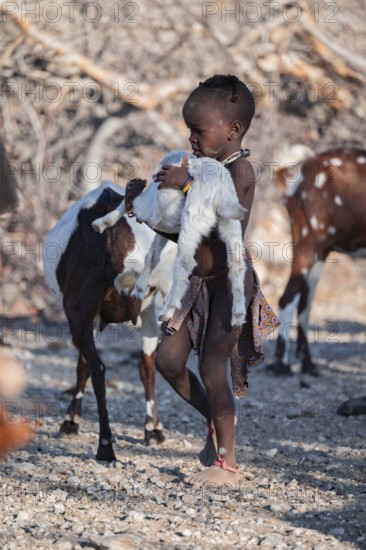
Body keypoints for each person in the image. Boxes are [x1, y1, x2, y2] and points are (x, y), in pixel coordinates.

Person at [125, 74, 279, 486]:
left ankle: (226, 464)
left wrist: (188, 184)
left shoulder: (241, 172)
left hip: (229, 283)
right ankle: (214, 419)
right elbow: (184, 231)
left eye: (199, 130)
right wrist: (142, 209)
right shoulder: (197, 167)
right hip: (193, 283)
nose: (191, 138)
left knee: (213, 368)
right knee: (168, 362)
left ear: (232, 131)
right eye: (188, 129)